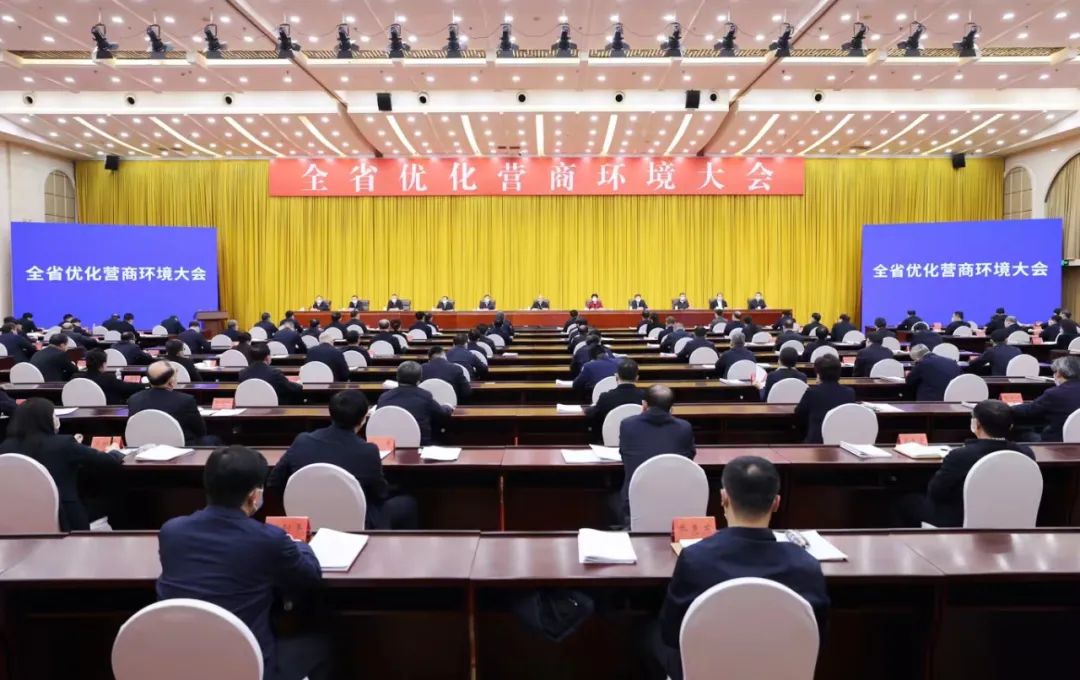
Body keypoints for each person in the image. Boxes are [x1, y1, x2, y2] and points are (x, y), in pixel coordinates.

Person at [157, 446, 331, 680]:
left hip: (181, 663)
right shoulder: (269, 540)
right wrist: (299, 544)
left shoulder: (171, 532)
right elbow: (310, 577)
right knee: (322, 642)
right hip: (248, 666)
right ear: (254, 496)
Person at [652, 455, 827, 680]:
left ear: (724, 498)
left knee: (646, 633)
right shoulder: (806, 565)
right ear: (776, 503)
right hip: (779, 672)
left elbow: (671, 633)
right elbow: (816, 638)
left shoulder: (695, 559)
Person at [268, 391, 417, 529]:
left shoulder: (302, 441)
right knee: (407, 503)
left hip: (307, 521)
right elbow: (380, 494)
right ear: (363, 419)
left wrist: (295, 504)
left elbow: (274, 482)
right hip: (356, 522)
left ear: (331, 414)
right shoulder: (368, 451)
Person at [897, 400, 1035, 528]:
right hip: (1011, 518)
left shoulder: (960, 456)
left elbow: (936, 492)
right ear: (1011, 426)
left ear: (976, 424)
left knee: (905, 502)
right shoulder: (1026, 454)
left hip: (959, 519)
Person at [0, 398, 125, 530]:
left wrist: (74, 447)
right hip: (66, 521)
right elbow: (108, 461)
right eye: (54, 415)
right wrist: (114, 451)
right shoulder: (64, 444)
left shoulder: (4, 448)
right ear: (46, 420)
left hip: (14, 521)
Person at [616, 385, 695, 524]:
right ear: (671, 408)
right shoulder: (684, 428)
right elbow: (688, 458)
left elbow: (624, 455)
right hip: (677, 498)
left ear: (644, 404)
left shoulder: (628, 425)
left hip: (635, 500)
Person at [128, 362, 212, 446]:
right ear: (171, 382)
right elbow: (201, 431)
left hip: (142, 447)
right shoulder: (186, 400)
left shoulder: (134, 399)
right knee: (211, 439)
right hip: (180, 448)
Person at [377, 361, 453, 446]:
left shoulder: (384, 397)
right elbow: (442, 414)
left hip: (390, 445)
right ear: (419, 380)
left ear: (397, 377)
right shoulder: (425, 396)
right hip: (421, 445)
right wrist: (448, 407)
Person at [1011, 356, 1080, 441]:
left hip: (1057, 441)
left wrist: (1009, 407)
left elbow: (1030, 410)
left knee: (1020, 433)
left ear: (1058, 373)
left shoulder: (1054, 393)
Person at [794, 354, 856, 443]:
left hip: (816, 442)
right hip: (841, 441)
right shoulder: (850, 393)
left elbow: (799, 413)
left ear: (818, 374)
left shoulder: (812, 392)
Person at [585, 359, 646, 435]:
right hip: (638, 438)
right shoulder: (645, 397)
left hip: (609, 439)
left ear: (616, 376)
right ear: (637, 378)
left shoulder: (606, 397)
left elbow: (592, 414)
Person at [240, 344, 304, 405]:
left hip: (250, 405)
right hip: (274, 406)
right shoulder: (275, 373)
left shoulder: (242, 373)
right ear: (267, 357)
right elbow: (291, 387)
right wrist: (300, 385)